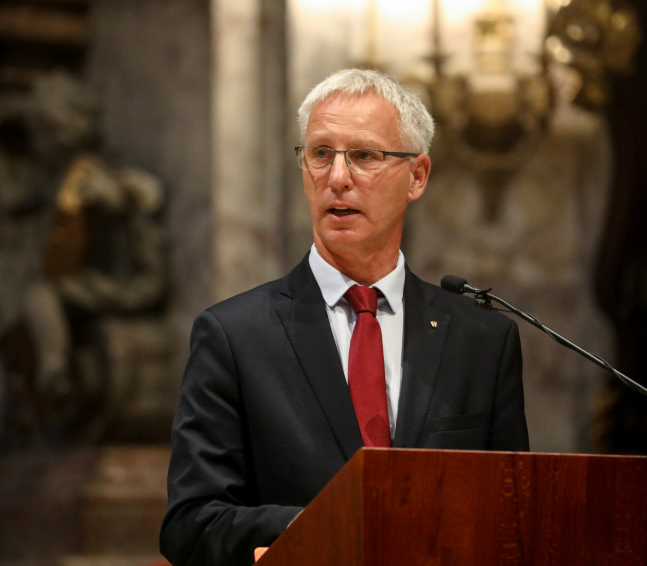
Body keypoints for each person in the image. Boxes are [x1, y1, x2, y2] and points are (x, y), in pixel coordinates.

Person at [159, 68, 529, 566]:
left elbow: (513, 516)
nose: (337, 178)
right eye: (320, 154)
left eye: (364, 156)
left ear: (417, 176)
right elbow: (190, 523)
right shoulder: (234, 336)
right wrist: (323, 527)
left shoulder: (481, 340)